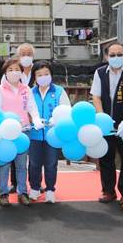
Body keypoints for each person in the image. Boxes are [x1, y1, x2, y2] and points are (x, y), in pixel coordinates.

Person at [90, 42, 123, 211]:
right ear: (106, 57)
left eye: (119, 54)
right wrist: (102, 117)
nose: (116, 58)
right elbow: (96, 96)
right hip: (107, 123)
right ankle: (108, 190)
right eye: (112, 55)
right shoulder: (100, 72)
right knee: (106, 157)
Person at [0, 58, 43, 206]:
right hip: (5, 133)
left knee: (21, 165)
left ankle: (22, 192)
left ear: (22, 72)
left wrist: (36, 120)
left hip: (23, 131)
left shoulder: (26, 89)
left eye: (17, 70)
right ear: (5, 73)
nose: (14, 73)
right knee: (5, 164)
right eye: (10, 70)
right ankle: (3, 194)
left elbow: (32, 108)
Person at [28, 61, 71, 204]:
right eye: (39, 75)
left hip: (53, 135)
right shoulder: (30, 92)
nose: (43, 77)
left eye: (46, 74)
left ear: (51, 75)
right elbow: (25, 110)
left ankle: (50, 190)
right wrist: (32, 119)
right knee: (34, 163)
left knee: (51, 163)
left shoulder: (59, 91)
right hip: (34, 134)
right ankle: (34, 188)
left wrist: (55, 119)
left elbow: (67, 110)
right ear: (34, 77)